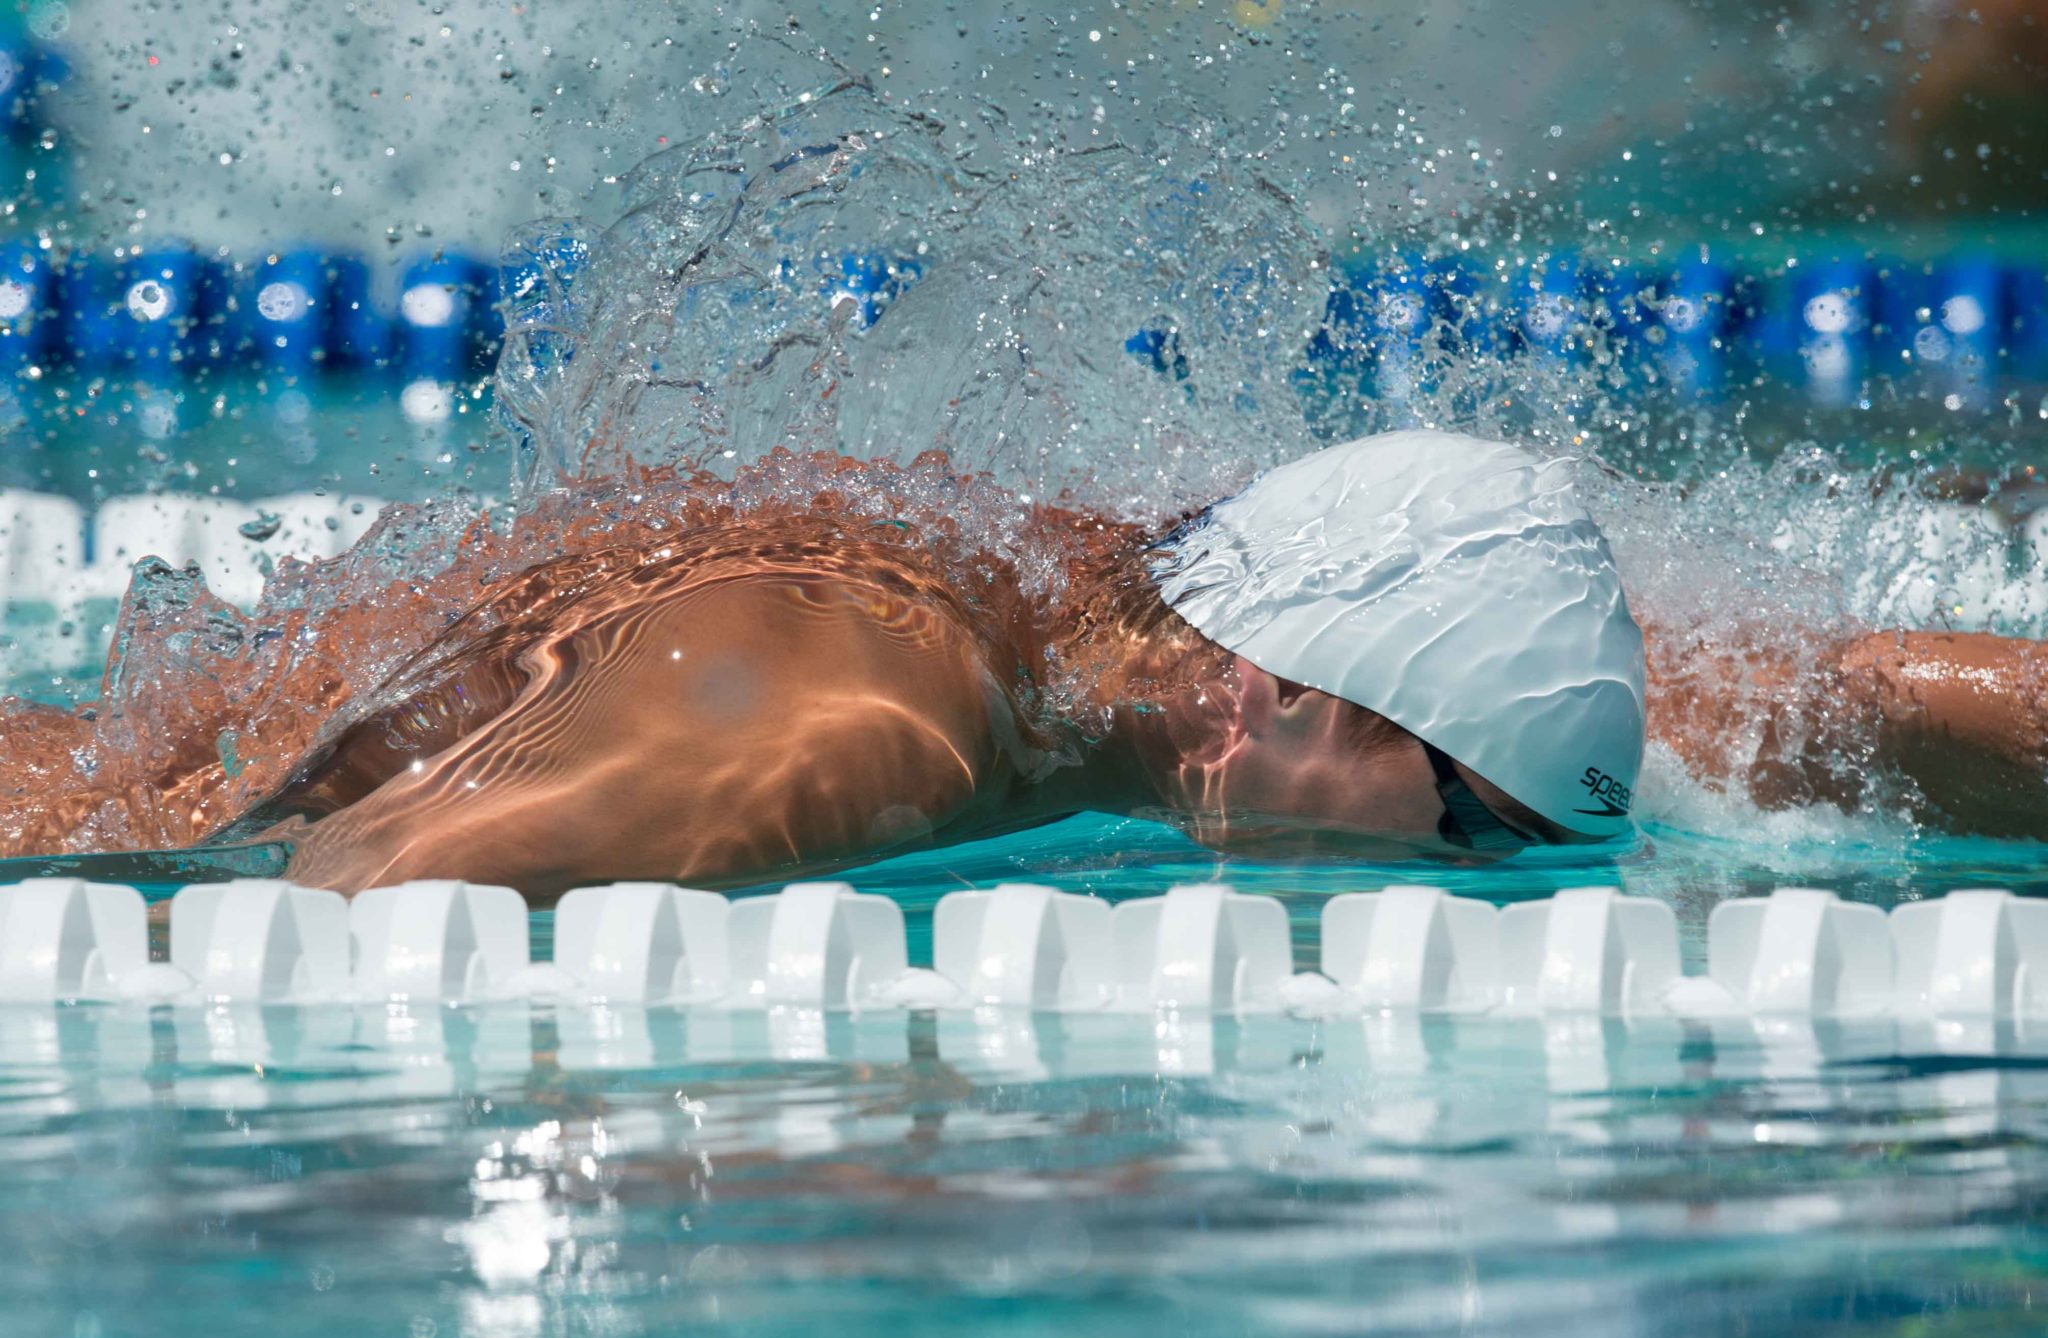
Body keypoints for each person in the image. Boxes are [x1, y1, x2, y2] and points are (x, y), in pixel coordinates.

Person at [1, 430, 2043, 898]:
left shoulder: (1256, 628)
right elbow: (314, 911)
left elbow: (1826, 700)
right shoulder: (855, 730)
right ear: (1292, 700)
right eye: (1478, 828)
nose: (1480, 872)